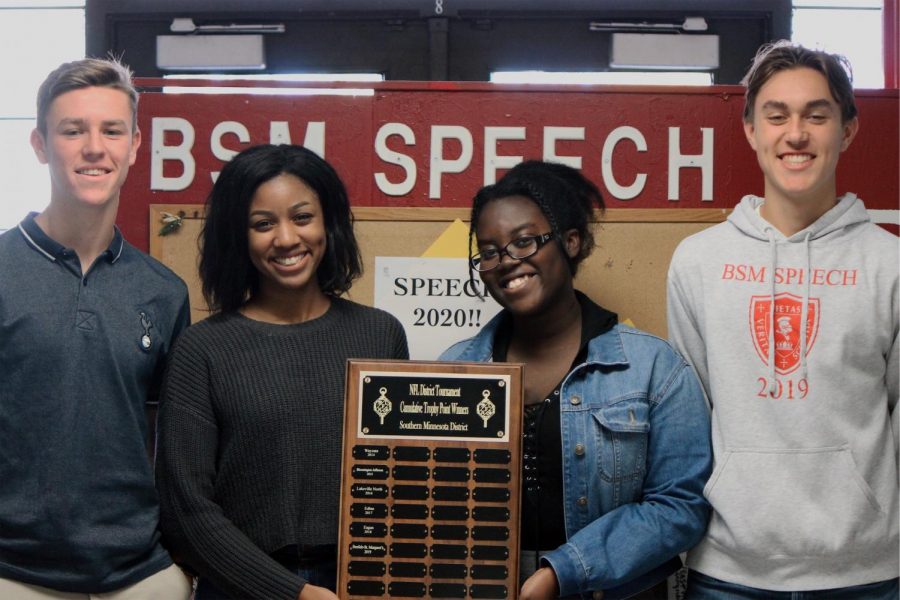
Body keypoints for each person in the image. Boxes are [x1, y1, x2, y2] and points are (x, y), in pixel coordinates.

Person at [667, 41, 899, 599]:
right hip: (726, 572)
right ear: (751, 130)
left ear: (846, 131)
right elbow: (693, 416)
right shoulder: (698, 262)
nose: (796, 134)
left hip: (866, 575)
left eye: (816, 115)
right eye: (777, 116)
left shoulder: (890, 264)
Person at [440, 160, 712, 599]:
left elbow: (681, 507)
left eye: (524, 242)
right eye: (490, 252)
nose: (507, 262)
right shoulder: (454, 370)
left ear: (570, 241)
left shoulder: (652, 368)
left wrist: (562, 571)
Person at [155, 143, 409, 600]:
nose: (287, 238)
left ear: (327, 225)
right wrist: (292, 593)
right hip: (241, 588)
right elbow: (186, 512)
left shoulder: (380, 336)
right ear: (239, 237)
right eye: (263, 224)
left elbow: (400, 482)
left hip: (361, 586)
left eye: (302, 217)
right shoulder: (203, 349)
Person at [0, 59, 192, 599]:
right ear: (40, 145)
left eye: (111, 131)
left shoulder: (164, 291)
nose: (93, 147)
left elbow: (171, 445)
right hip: (13, 572)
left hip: (139, 575)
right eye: (72, 130)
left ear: (134, 145)